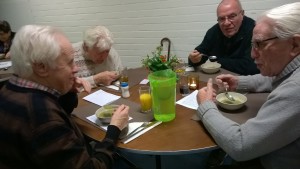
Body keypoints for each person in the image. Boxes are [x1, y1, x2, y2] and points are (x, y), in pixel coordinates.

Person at [0, 25, 130, 169]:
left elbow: (62, 115)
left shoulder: (9, 89)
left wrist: (68, 91)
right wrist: (114, 130)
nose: (76, 69)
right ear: (41, 67)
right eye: (69, 62)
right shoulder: (43, 118)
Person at [197, 2, 300, 169]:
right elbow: (275, 78)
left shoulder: (296, 89)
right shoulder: (292, 68)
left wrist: (206, 106)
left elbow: (241, 145)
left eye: (259, 44)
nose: (253, 54)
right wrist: (239, 82)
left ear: (295, 44)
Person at [188, 0, 259, 75]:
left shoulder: (255, 30)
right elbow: (200, 53)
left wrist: (218, 61)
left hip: (246, 81)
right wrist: (193, 59)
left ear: (242, 14)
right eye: (221, 19)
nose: (226, 23)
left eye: (232, 16)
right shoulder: (213, 32)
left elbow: (252, 66)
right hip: (219, 78)